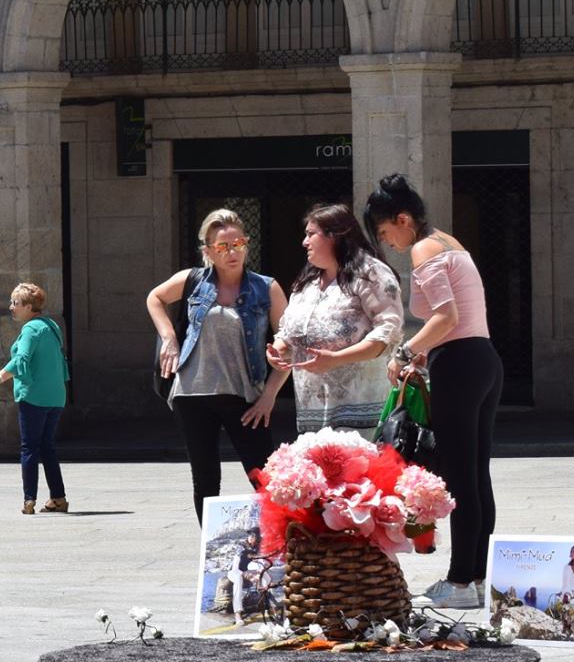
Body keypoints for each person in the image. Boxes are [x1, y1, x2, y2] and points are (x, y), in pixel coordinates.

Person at [367, 173, 502, 610]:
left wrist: (404, 352)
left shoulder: (425, 248)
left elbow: (445, 316)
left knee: (461, 478)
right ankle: (477, 577)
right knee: (476, 475)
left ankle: (461, 581)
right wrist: (427, 353)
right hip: (482, 359)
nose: (388, 242)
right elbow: (455, 322)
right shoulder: (449, 242)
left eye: (386, 232)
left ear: (403, 219)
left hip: (461, 365)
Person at [146, 209, 290, 523]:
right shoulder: (192, 281)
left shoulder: (266, 288)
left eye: (238, 243)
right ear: (208, 251)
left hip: (245, 398)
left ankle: (277, 550)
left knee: (266, 479)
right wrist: (169, 336)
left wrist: (269, 396)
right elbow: (155, 297)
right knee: (206, 480)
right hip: (192, 396)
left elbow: (289, 343)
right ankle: (211, 559)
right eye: (223, 247)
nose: (232, 252)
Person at [268, 205, 402, 432]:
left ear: (335, 236)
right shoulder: (307, 283)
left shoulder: (369, 273)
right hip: (313, 414)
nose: (304, 242)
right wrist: (279, 348)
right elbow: (288, 332)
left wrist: (337, 358)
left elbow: (388, 330)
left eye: (311, 234)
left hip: (361, 413)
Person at [0, 282, 71, 515]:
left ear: (29, 307)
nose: (11, 307)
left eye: (15, 303)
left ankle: (29, 500)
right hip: (56, 396)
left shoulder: (30, 329)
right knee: (47, 447)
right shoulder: (52, 326)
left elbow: (22, 360)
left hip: (34, 396)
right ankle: (58, 498)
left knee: (29, 447)